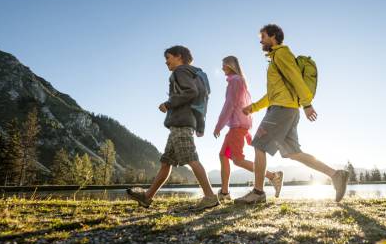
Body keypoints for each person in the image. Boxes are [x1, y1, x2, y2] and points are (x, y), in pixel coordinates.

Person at [235, 24, 349, 204]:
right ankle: (336, 175)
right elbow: (273, 95)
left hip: (282, 110)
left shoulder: (281, 54)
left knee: (259, 145)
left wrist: (307, 104)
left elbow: (295, 77)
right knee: (293, 153)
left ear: (273, 37)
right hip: (285, 109)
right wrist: (253, 107)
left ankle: (258, 193)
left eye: (263, 36)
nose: (260, 40)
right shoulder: (275, 59)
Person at [126, 45, 219, 210]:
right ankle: (147, 197)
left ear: (179, 56)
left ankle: (210, 196)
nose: (166, 62)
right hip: (182, 123)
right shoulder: (192, 72)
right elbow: (198, 97)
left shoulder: (180, 71)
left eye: (168, 58)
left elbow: (191, 92)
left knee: (191, 158)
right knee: (166, 162)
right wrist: (200, 125)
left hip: (181, 122)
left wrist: (168, 104)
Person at [213, 56, 284, 201]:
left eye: (224, 65)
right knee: (223, 155)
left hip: (237, 127)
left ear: (231, 65)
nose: (222, 68)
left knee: (237, 160)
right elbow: (241, 105)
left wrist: (219, 125)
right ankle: (224, 192)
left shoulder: (235, 81)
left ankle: (273, 176)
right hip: (237, 126)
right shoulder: (238, 81)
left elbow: (230, 105)